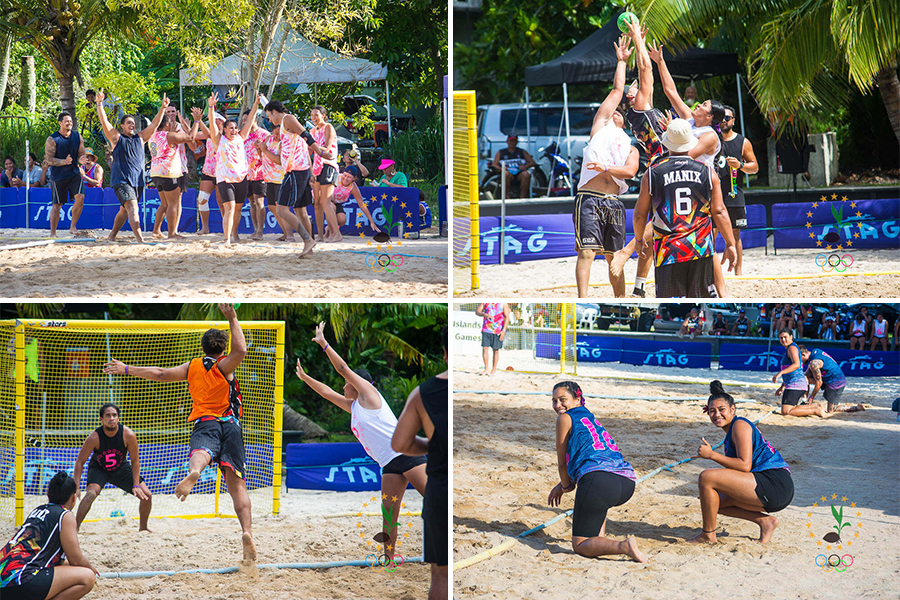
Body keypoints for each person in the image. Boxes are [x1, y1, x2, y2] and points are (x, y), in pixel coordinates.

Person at [101, 303, 257, 562]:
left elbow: (159, 374)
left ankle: (195, 471)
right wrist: (233, 317)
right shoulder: (224, 367)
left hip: (205, 421)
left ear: (203, 347)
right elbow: (240, 349)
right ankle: (247, 531)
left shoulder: (193, 366)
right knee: (237, 486)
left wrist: (127, 368)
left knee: (200, 452)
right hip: (231, 425)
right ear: (221, 349)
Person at [295, 322, 427, 563]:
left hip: (408, 454)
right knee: (388, 514)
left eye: (347, 383)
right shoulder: (353, 406)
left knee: (435, 496)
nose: (343, 386)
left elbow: (343, 368)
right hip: (389, 463)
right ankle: (389, 558)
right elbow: (326, 392)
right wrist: (305, 378)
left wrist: (324, 343)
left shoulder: (369, 395)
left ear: (357, 385)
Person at [651, 44, 731, 297]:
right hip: (683, 186)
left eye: (704, 105)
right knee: (706, 247)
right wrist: (660, 61)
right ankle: (720, 291)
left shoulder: (709, 136)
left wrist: (669, 134)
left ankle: (722, 291)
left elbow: (685, 157)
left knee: (708, 247)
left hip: (703, 191)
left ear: (710, 117)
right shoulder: (688, 121)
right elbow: (670, 90)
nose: (698, 105)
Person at [633, 119, 737, 298]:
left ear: (667, 142)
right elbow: (719, 211)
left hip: (668, 250)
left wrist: (639, 239)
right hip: (700, 248)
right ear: (691, 142)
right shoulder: (707, 171)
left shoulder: (653, 172)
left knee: (671, 301)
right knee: (700, 299)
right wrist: (730, 243)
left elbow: (640, 214)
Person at [546, 381, 646, 562]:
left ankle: (624, 546)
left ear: (577, 399)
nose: (558, 405)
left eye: (562, 399)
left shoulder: (564, 418)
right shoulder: (589, 416)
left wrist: (566, 486)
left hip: (598, 480)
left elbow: (562, 464)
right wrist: (563, 485)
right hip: (626, 481)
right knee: (594, 512)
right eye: (554, 401)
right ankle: (602, 543)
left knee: (579, 544)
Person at [573, 35, 639, 298]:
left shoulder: (630, 145)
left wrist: (605, 168)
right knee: (587, 252)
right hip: (590, 197)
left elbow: (631, 173)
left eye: (620, 112)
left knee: (615, 258)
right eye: (613, 110)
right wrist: (622, 61)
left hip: (613, 200)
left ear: (625, 120)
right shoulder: (600, 126)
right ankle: (582, 298)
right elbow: (616, 91)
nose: (615, 111)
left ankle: (620, 299)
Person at [690, 380, 792, 544]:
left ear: (733, 409)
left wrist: (712, 455)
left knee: (706, 477)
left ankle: (708, 535)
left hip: (775, 484)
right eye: (711, 411)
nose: (717, 415)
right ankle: (765, 521)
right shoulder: (730, 433)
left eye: (721, 409)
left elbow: (744, 465)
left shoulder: (739, 425)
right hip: (768, 486)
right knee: (711, 500)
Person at [392, 327, 448, 600]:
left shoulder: (424, 392)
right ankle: (387, 555)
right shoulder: (352, 402)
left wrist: (432, 446)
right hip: (397, 462)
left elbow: (400, 443)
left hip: (436, 479)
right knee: (390, 508)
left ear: (446, 354)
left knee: (441, 576)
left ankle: (388, 555)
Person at [0, 471, 99, 600]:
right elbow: (76, 559)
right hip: (21, 581)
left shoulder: (38, 510)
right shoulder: (65, 515)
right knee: (87, 576)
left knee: (69, 567)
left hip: (4, 578)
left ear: (48, 494)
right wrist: (92, 568)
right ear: (73, 498)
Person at [96, 90, 167, 243]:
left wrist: (162, 108)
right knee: (133, 207)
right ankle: (140, 239)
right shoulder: (117, 138)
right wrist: (99, 104)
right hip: (121, 181)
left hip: (137, 182)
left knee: (124, 210)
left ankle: (112, 235)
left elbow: (154, 124)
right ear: (122, 126)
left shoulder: (141, 138)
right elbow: (104, 122)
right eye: (128, 122)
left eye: (133, 122)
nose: (132, 124)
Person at [262, 99, 330, 256]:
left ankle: (307, 240)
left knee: (281, 209)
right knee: (300, 210)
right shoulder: (285, 126)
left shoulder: (288, 119)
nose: (270, 120)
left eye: (269, 116)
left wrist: (319, 152)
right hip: (299, 170)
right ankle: (310, 248)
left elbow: (306, 136)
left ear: (274, 112)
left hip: (296, 171)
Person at [72, 402, 153, 531]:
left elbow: (135, 461)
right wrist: (76, 486)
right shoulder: (94, 437)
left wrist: (136, 484)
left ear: (118, 418)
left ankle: (143, 528)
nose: (111, 418)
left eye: (114, 415)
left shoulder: (128, 434)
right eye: (108, 415)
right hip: (100, 469)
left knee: (147, 495)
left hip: (121, 469)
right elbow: (80, 462)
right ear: (101, 419)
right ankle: (75, 528)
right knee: (90, 494)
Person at [203, 92, 261, 245]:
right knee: (229, 208)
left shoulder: (241, 137)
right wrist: (210, 107)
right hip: (224, 179)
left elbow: (249, 121)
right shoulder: (218, 140)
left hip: (241, 178)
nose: (233, 130)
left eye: (235, 127)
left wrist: (256, 104)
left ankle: (235, 234)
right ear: (224, 129)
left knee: (238, 210)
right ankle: (226, 238)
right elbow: (211, 123)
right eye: (230, 128)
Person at [716, 105, 758, 276]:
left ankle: (738, 273)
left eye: (727, 118)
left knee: (735, 234)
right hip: (713, 195)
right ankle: (711, 272)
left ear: (733, 120)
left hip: (734, 193)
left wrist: (740, 165)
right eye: (721, 117)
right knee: (710, 234)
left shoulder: (742, 142)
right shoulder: (711, 139)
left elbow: (754, 167)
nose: (724, 121)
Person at [149, 110, 199, 240]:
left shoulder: (153, 135)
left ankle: (156, 231)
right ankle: (172, 233)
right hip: (169, 173)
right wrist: (197, 121)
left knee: (164, 204)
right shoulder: (168, 135)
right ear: (166, 125)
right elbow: (191, 138)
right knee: (173, 204)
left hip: (156, 172)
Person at [44, 111, 87, 237]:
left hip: (74, 173)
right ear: (60, 123)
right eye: (66, 121)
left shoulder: (77, 136)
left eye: (71, 121)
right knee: (57, 205)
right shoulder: (52, 139)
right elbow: (49, 160)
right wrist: (64, 161)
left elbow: (81, 154)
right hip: (58, 176)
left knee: (80, 197)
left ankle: (73, 226)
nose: (69, 123)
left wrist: (82, 159)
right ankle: (53, 233)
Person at [773, 329, 825, 417]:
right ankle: (816, 407)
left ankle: (816, 410)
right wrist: (782, 387)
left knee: (786, 411)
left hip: (796, 384)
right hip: (796, 383)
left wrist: (780, 373)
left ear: (791, 337)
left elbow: (796, 364)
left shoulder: (792, 348)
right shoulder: (789, 348)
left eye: (785, 337)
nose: (783, 340)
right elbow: (791, 372)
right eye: (781, 338)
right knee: (791, 408)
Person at [799, 346, 865, 413]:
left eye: (799, 358)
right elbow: (807, 375)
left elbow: (819, 382)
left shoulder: (814, 363)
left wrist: (811, 397)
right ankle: (804, 401)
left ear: (803, 355)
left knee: (831, 410)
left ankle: (857, 408)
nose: (799, 361)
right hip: (829, 378)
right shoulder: (815, 351)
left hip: (836, 382)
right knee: (804, 378)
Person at [310, 106, 342, 242]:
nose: (314, 118)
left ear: (323, 115)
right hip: (316, 167)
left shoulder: (328, 127)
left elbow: (327, 149)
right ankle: (321, 235)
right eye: (312, 115)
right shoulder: (312, 130)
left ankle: (336, 233)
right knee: (317, 202)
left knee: (325, 202)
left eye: (316, 115)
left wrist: (313, 146)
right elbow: (309, 152)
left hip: (329, 165)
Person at [254, 124, 289, 240]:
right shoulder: (268, 139)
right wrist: (259, 149)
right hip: (268, 178)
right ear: (272, 131)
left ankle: (289, 234)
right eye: (276, 132)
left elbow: (279, 160)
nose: (278, 135)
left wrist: (264, 150)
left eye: (280, 132)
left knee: (281, 208)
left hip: (280, 178)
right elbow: (263, 156)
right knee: (272, 207)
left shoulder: (283, 143)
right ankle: (285, 232)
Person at [194, 111, 226, 235]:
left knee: (221, 203)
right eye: (214, 119)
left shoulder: (226, 134)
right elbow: (193, 136)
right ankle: (205, 227)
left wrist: (199, 120)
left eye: (218, 119)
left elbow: (209, 132)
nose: (215, 121)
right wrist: (193, 122)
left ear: (222, 121)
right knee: (202, 199)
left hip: (221, 171)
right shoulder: (209, 134)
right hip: (208, 170)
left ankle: (226, 228)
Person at [240, 107, 269, 241]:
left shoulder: (264, 135)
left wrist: (260, 150)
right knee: (251, 202)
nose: (245, 123)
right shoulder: (242, 136)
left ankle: (260, 231)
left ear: (254, 119)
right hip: (246, 174)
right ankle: (255, 229)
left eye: (247, 120)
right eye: (244, 121)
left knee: (259, 202)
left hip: (260, 173)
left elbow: (270, 155)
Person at [327, 170, 382, 238]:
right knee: (332, 207)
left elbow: (362, 204)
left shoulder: (353, 187)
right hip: (325, 199)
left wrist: (372, 222)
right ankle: (332, 233)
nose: (346, 178)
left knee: (342, 220)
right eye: (345, 175)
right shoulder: (336, 177)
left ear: (353, 179)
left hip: (336, 202)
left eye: (349, 177)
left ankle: (329, 228)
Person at [475, 303, 509, 376]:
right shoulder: (486, 302)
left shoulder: (503, 303)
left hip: (497, 331)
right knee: (485, 349)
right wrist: (485, 314)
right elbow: (477, 311)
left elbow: (507, 317)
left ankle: (493, 370)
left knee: (496, 350)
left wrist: (503, 331)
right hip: (486, 330)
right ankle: (486, 369)